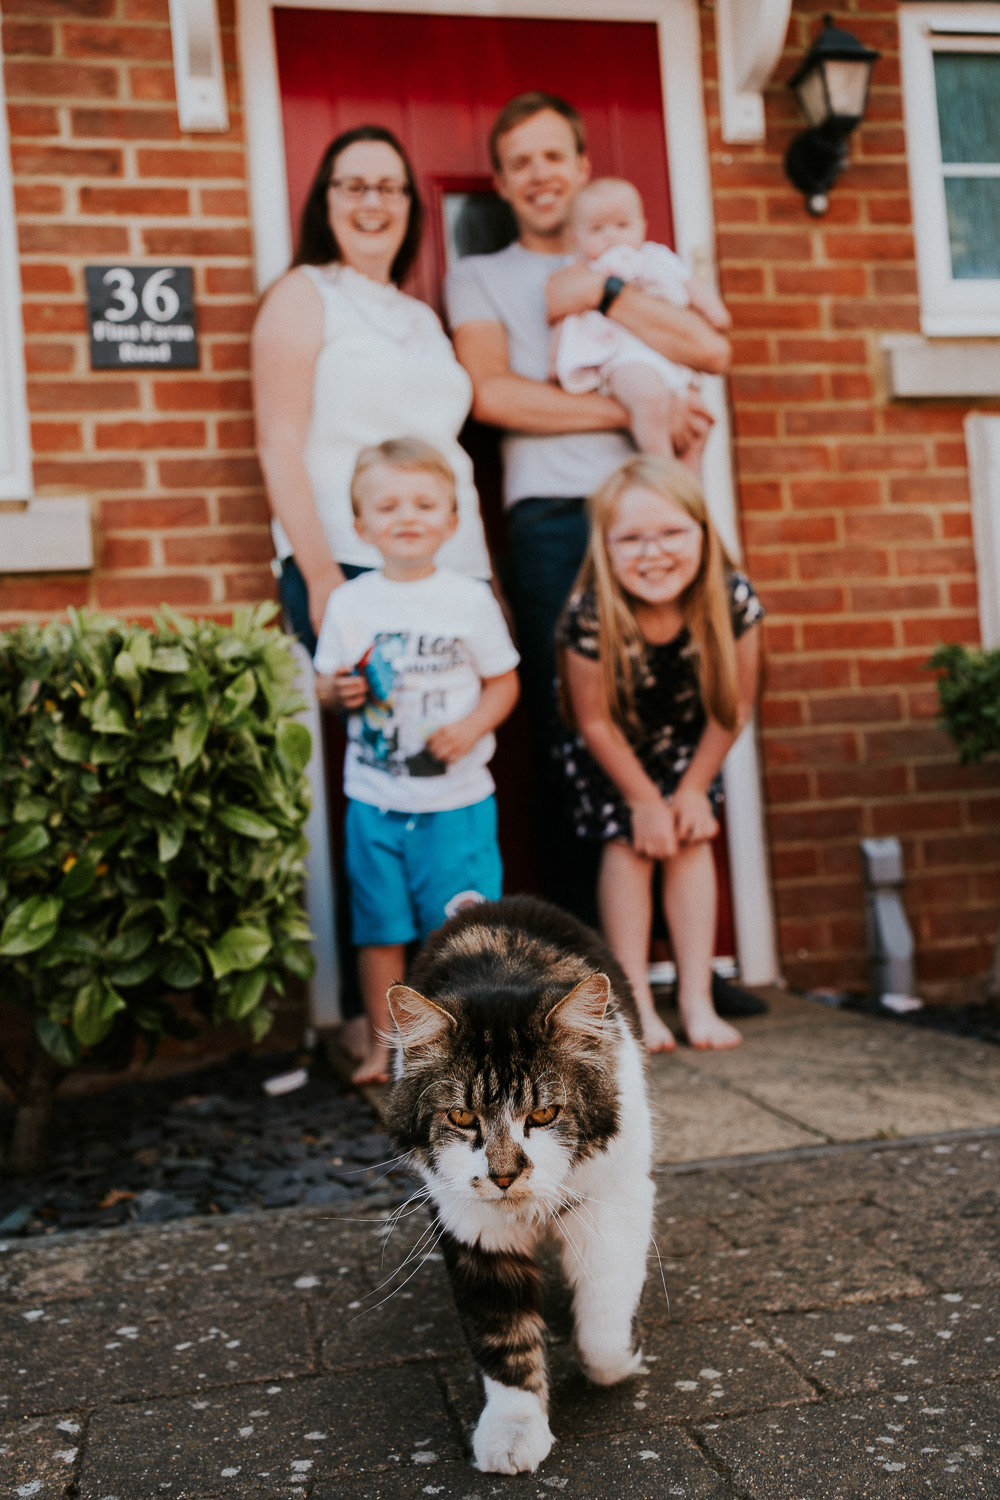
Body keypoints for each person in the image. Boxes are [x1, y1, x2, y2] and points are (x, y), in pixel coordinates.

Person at [444, 92, 730, 918]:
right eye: (521, 162)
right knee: (571, 721)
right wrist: (635, 409)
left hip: (654, 513)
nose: (540, 175)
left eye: (553, 157)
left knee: (677, 707)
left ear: (582, 167)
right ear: (500, 182)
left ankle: (682, 957)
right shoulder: (482, 276)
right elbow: (492, 395)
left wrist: (605, 295)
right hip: (555, 518)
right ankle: (581, 953)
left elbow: (712, 349)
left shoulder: (638, 262)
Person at [313, 439, 520, 1084]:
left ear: (452, 523)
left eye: (425, 503)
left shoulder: (468, 600)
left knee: (464, 933)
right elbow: (326, 684)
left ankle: (470, 1047)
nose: (407, 516)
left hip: (455, 804)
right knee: (380, 932)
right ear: (361, 526)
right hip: (376, 803)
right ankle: (389, 1050)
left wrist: (469, 728)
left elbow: (504, 682)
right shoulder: (351, 604)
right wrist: (338, 691)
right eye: (388, 505)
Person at [252, 124, 491, 657]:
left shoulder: (422, 317)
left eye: (389, 187)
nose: (372, 202)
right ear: (325, 200)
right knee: (385, 732)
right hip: (354, 555)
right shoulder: (303, 295)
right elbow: (279, 444)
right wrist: (320, 576)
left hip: (454, 560)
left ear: (409, 203)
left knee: (461, 729)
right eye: (353, 186)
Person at [555, 455, 763, 1053]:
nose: (654, 552)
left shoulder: (733, 600)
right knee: (631, 842)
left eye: (672, 533)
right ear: (606, 547)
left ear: (703, 533)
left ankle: (696, 998)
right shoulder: (591, 613)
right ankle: (636, 1003)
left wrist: (694, 787)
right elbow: (593, 720)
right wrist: (642, 799)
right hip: (610, 751)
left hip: (692, 746)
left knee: (692, 838)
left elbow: (733, 707)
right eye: (632, 539)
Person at [553, 178, 732, 469]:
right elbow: (565, 320)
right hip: (626, 357)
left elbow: (694, 289)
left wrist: (715, 312)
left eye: (623, 226)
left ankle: (688, 499)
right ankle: (662, 471)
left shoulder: (658, 258)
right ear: (576, 238)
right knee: (649, 400)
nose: (611, 236)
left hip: (674, 361)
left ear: (642, 227)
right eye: (597, 229)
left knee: (699, 427)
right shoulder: (580, 272)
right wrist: (557, 361)